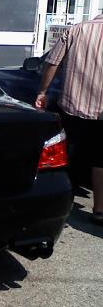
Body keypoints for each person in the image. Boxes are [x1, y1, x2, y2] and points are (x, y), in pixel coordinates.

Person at [35, 14, 103, 225]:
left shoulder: (75, 30)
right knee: (100, 161)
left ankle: (62, 206)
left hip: (72, 106)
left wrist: (43, 91)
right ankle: (99, 210)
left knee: (65, 157)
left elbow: (52, 63)